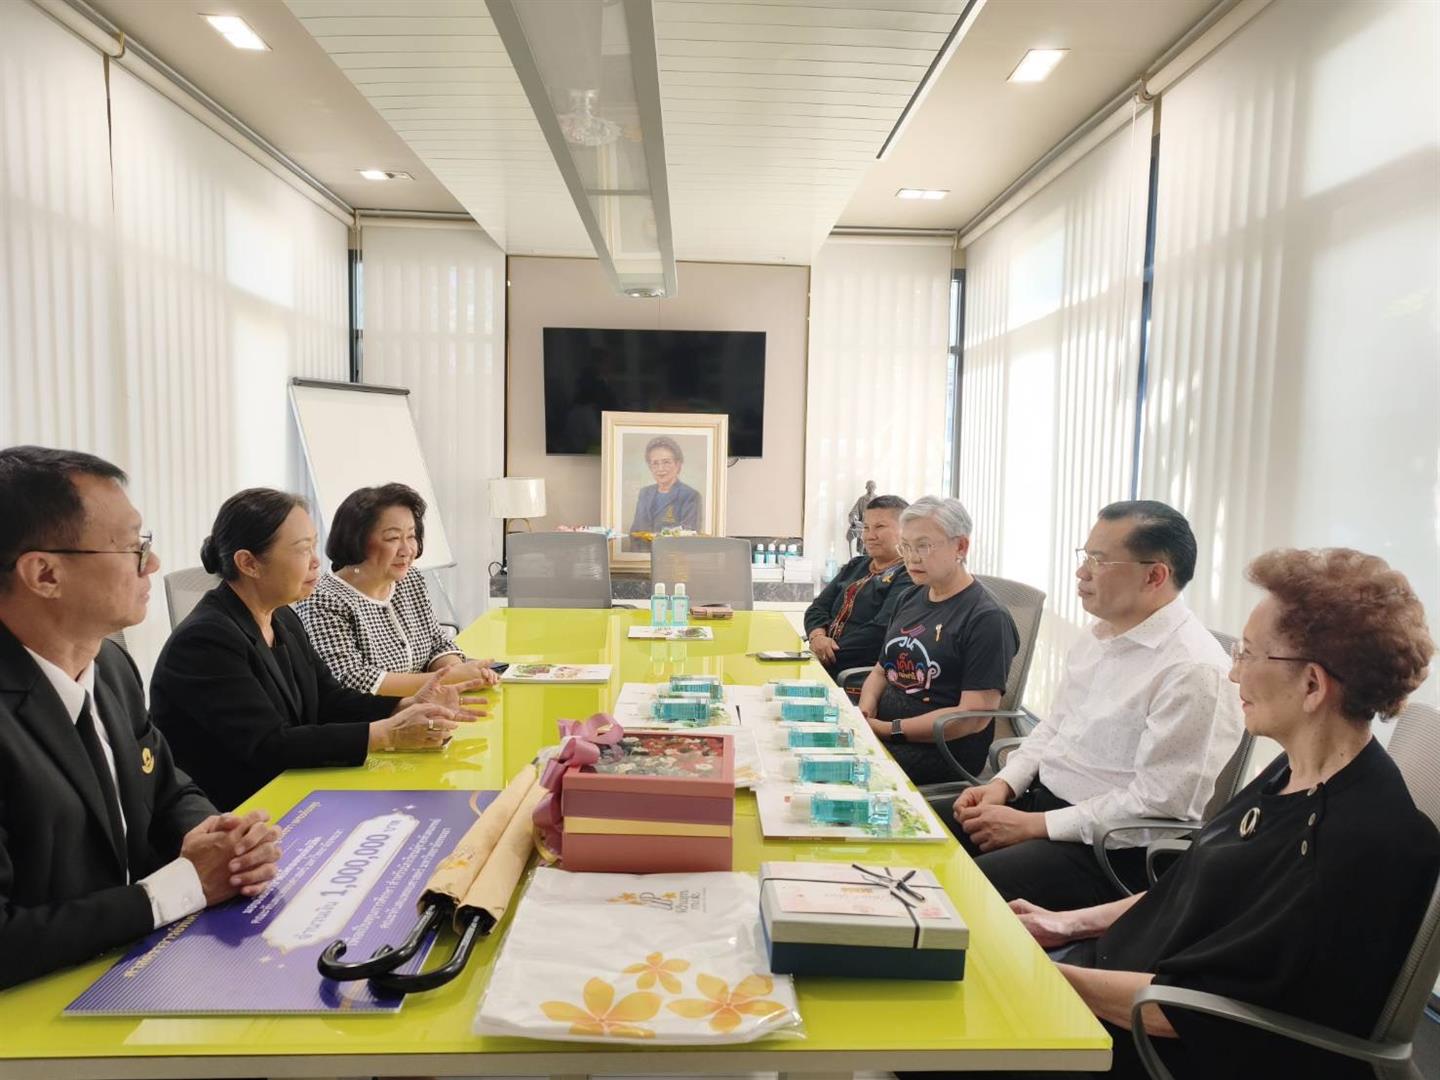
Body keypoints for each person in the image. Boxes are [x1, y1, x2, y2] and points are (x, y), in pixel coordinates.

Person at [991, 548, 1439, 1080]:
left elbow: (1185, 1012)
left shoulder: (1352, 848)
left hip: (1154, 1043)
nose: (1232, 673)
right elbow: (1190, 887)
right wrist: (1065, 922)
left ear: (1312, 685)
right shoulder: (1294, 772)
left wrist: (1039, 973)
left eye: (1248, 654)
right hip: (1118, 981)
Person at [0, 446, 281, 990]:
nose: (152, 564)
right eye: (134, 547)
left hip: (139, 970)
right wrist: (187, 885)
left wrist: (217, 837)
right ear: (44, 573)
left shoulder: (110, 664)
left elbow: (166, 787)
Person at [953, 500, 1244, 909]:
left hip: (1110, 851)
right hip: (1042, 805)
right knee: (918, 834)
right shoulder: (1100, 634)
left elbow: (1158, 805)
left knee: (956, 890)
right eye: (1085, 555)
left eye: (1099, 560)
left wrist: (1035, 826)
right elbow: (1054, 726)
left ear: (1154, 576)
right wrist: (1002, 785)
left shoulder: (1193, 670)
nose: (1081, 572)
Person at [151, 489, 483, 811]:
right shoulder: (205, 641)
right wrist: (386, 734)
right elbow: (269, 745)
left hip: (294, 791)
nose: (316, 562)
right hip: (238, 813)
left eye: (314, 545)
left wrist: (404, 705)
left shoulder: (282, 615)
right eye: (302, 549)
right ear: (249, 563)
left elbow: (328, 699)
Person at [857, 496, 1018, 785]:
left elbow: (971, 717)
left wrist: (888, 729)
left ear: (961, 547)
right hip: (884, 729)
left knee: (847, 770)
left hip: (941, 751)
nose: (912, 558)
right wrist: (865, 710)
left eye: (923, 546)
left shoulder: (987, 618)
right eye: (906, 547)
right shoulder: (910, 597)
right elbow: (881, 671)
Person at [296, 483, 498, 695]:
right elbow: (351, 679)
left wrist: (460, 673)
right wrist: (448, 679)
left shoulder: (410, 579)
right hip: (374, 714)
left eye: (411, 536)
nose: (407, 550)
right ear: (356, 541)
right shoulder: (322, 600)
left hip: (426, 706)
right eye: (393, 538)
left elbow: (436, 643)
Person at [804, 494, 912, 684]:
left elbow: (879, 631)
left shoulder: (909, 575)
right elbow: (817, 608)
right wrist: (818, 637)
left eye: (880, 527)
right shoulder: (856, 565)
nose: (869, 536)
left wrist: (826, 653)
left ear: (906, 530)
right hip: (821, 662)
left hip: (856, 676)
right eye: (866, 527)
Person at [625, 436, 701, 552]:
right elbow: (635, 533)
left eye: (666, 462)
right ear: (650, 467)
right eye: (655, 463)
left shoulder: (690, 496)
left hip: (671, 558)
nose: (660, 469)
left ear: (678, 465)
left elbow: (688, 536)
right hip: (642, 557)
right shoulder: (645, 493)